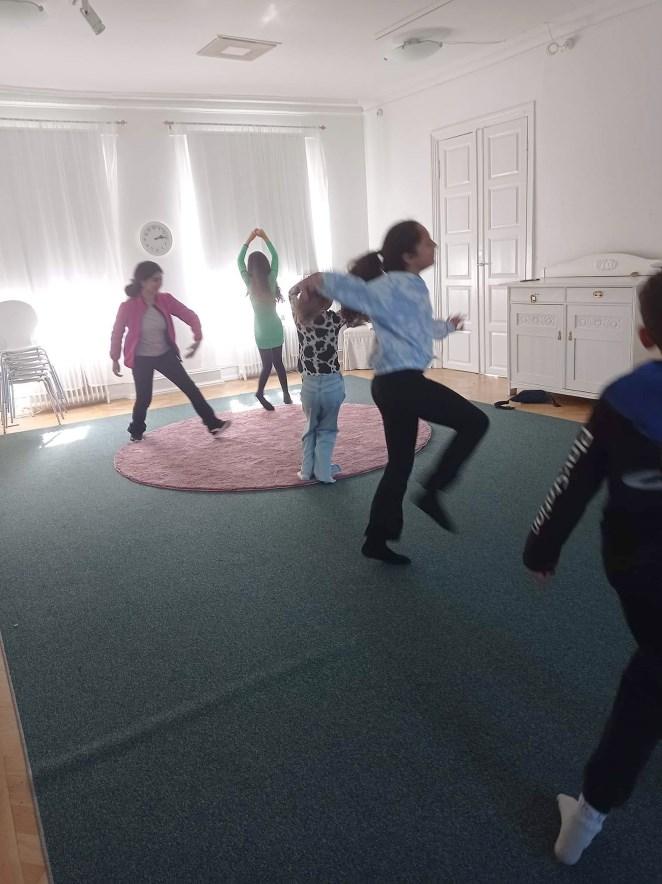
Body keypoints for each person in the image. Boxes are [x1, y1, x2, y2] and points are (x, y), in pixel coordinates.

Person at [523, 269, 662, 865]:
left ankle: (585, 818)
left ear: (645, 334)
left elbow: (574, 482)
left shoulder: (621, 400)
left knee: (651, 680)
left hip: (637, 564)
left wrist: (542, 547)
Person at [293, 220, 489, 564]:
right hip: (402, 384)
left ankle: (376, 539)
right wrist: (319, 279)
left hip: (391, 385)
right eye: (427, 242)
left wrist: (447, 326)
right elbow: (356, 290)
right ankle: (433, 489)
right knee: (476, 422)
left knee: (400, 463)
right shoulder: (392, 285)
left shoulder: (410, 286)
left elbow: (419, 325)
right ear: (409, 255)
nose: (434, 246)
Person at [110, 261, 230, 441]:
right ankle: (136, 431)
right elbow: (117, 332)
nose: (159, 283)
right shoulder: (128, 307)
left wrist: (197, 336)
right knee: (144, 398)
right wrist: (115, 358)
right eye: (155, 280)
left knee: (190, 388)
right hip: (141, 359)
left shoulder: (165, 300)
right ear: (142, 281)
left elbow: (188, 314)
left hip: (165, 355)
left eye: (160, 279)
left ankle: (213, 424)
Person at [289, 287, 345, 484]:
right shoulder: (334, 319)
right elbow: (351, 305)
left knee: (310, 428)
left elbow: (291, 293)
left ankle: (306, 471)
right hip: (331, 384)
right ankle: (323, 472)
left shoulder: (299, 317)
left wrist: (303, 286)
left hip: (309, 386)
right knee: (326, 430)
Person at [238, 228, 292, 411]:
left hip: (260, 330)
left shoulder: (249, 282)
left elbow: (239, 261)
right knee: (279, 363)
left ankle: (260, 392)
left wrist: (250, 238)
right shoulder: (271, 279)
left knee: (267, 365)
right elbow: (275, 257)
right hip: (275, 327)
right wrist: (264, 237)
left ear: (251, 268)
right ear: (265, 265)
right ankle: (286, 394)